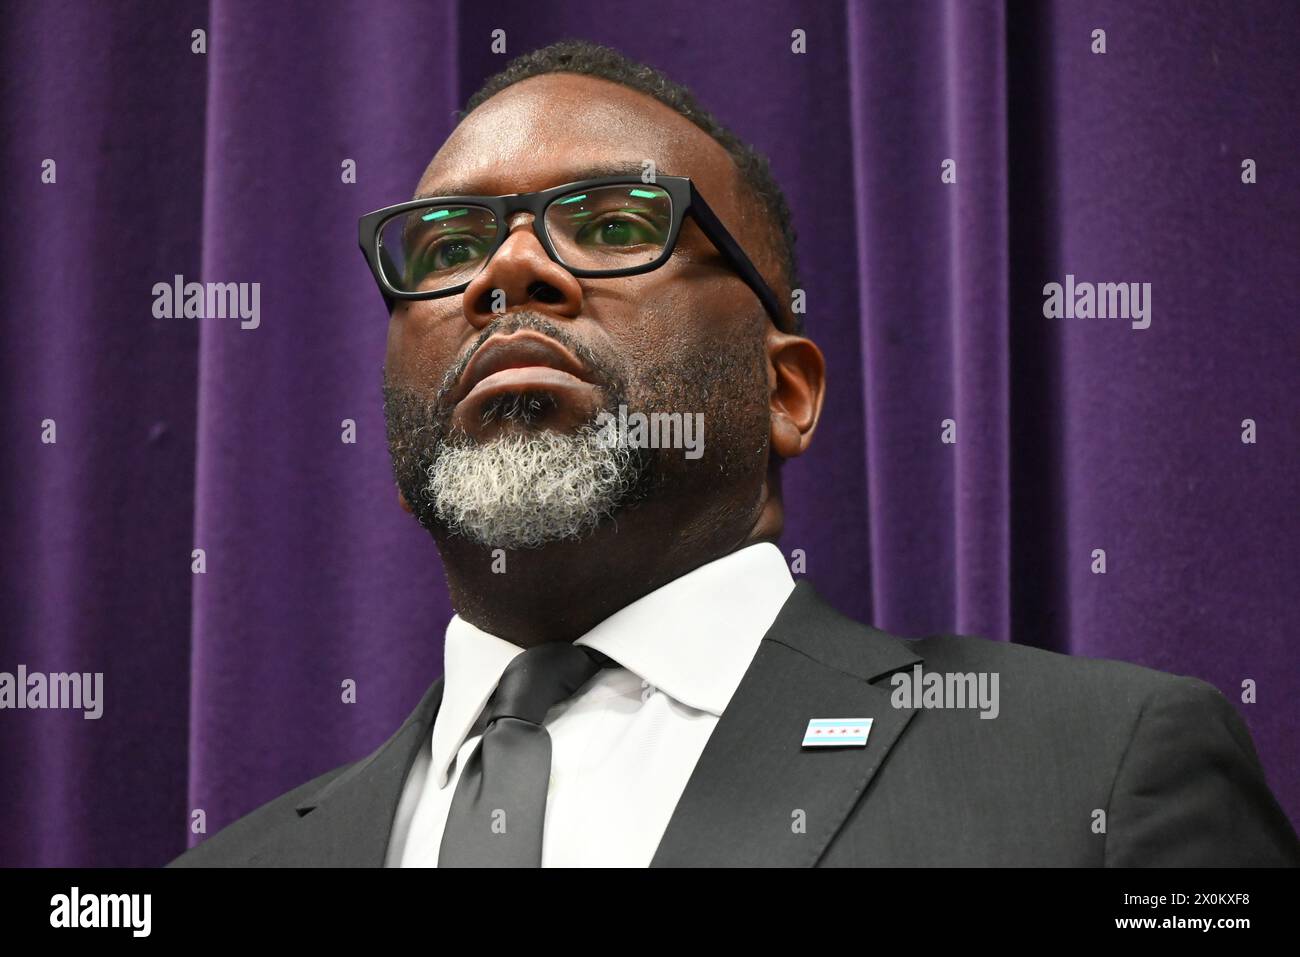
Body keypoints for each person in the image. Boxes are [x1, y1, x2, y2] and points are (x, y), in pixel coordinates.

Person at [169, 40, 1299, 868]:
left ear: (785, 393)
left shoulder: (1098, 775)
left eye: (612, 226)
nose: (506, 275)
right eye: (451, 246)